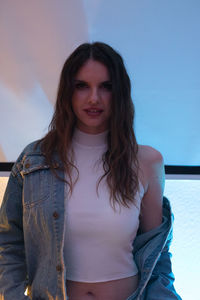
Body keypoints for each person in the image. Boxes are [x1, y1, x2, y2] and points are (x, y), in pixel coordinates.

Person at [0, 42, 181, 300]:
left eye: (105, 87)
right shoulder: (34, 161)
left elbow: (157, 255)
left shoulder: (146, 161)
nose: (94, 98)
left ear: (119, 92)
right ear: (67, 92)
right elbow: (8, 243)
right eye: (82, 86)